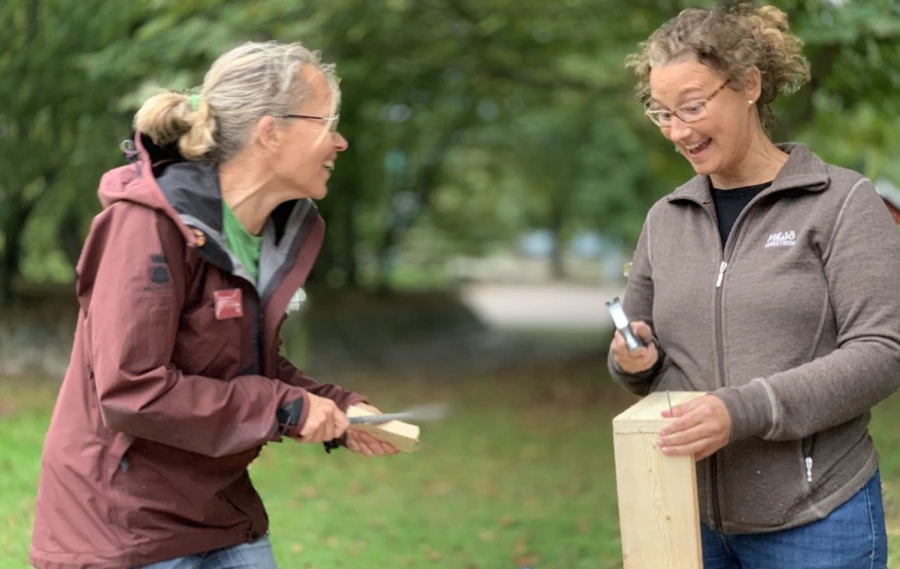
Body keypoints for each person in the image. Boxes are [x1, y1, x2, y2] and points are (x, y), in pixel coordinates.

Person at [29, 41, 399, 569]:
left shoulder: (263, 234)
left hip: (220, 510)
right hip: (123, 527)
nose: (339, 142)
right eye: (326, 123)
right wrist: (284, 409)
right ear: (270, 132)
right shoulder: (147, 226)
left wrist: (338, 406)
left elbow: (243, 366)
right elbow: (133, 389)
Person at [608, 3, 900, 568]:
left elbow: (883, 352)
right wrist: (633, 361)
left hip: (816, 521)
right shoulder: (664, 219)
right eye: (662, 113)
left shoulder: (842, 205)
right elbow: (642, 361)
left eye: (691, 107)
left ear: (748, 85)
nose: (678, 131)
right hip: (684, 516)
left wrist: (742, 410)